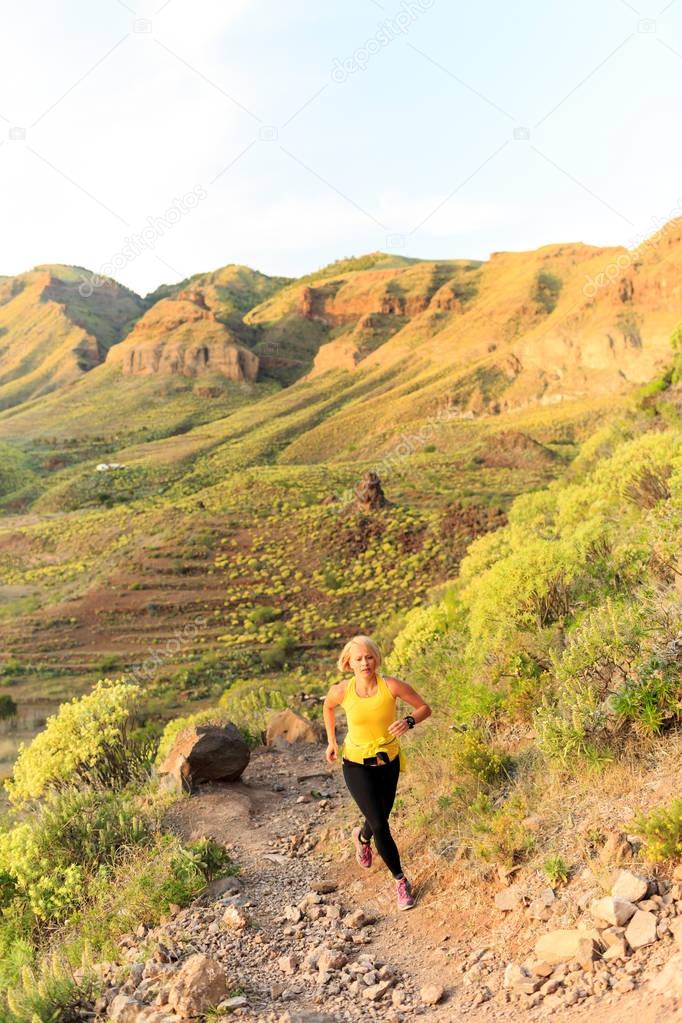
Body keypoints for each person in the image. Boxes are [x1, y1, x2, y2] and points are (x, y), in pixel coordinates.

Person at [323, 634, 432, 910]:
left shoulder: (391, 686)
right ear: (348, 663)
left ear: (376, 659)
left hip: (388, 761)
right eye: (358, 659)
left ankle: (362, 838)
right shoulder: (342, 691)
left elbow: (424, 708)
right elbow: (328, 706)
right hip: (356, 764)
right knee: (381, 824)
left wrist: (409, 721)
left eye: (369, 657)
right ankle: (401, 882)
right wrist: (332, 741)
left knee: (379, 817)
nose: (365, 663)